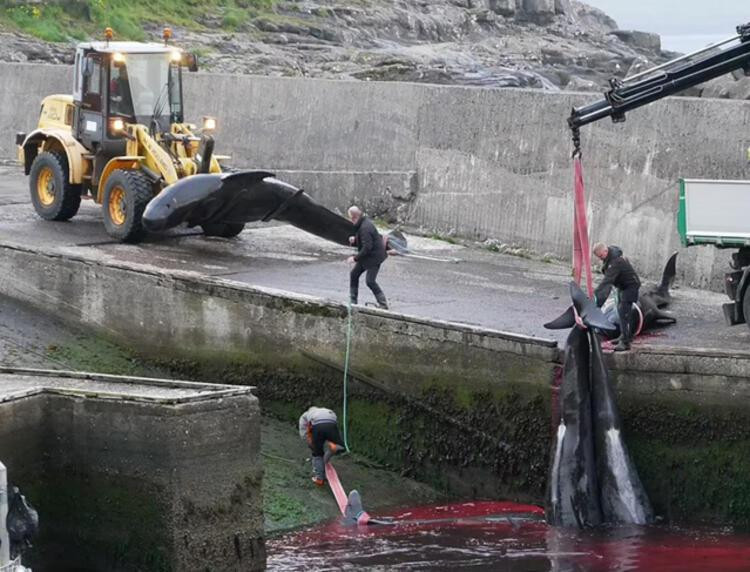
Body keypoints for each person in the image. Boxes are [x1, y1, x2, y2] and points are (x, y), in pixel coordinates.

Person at [593, 242, 641, 352]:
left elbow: (607, 281)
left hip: (630, 287)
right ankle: (623, 336)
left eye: (601, 256)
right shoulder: (610, 258)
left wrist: (595, 296)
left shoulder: (616, 262)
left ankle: (625, 343)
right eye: (599, 257)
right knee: (620, 310)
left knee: (623, 312)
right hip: (622, 286)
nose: (601, 259)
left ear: (606, 251)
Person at [346, 206, 389, 309]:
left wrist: (354, 258)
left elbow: (367, 247)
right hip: (368, 255)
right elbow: (366, 240)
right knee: (354, 274)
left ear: (353, 217)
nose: (350, 220)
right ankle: (353, 301)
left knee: (370, 281)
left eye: (350, 218)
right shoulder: (363, 222)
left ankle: (383, 304)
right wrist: (355, 240)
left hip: (374, 257)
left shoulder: (365, 227)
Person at [298, 406, 346, 486]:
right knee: (340, 446)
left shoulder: (305, 415)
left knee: (317, 453)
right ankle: (333, 447)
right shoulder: (326, 410)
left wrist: (312, 445)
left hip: (318, 425)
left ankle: (319, 478)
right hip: (331, 423)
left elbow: (303, 431)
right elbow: (333, 425)